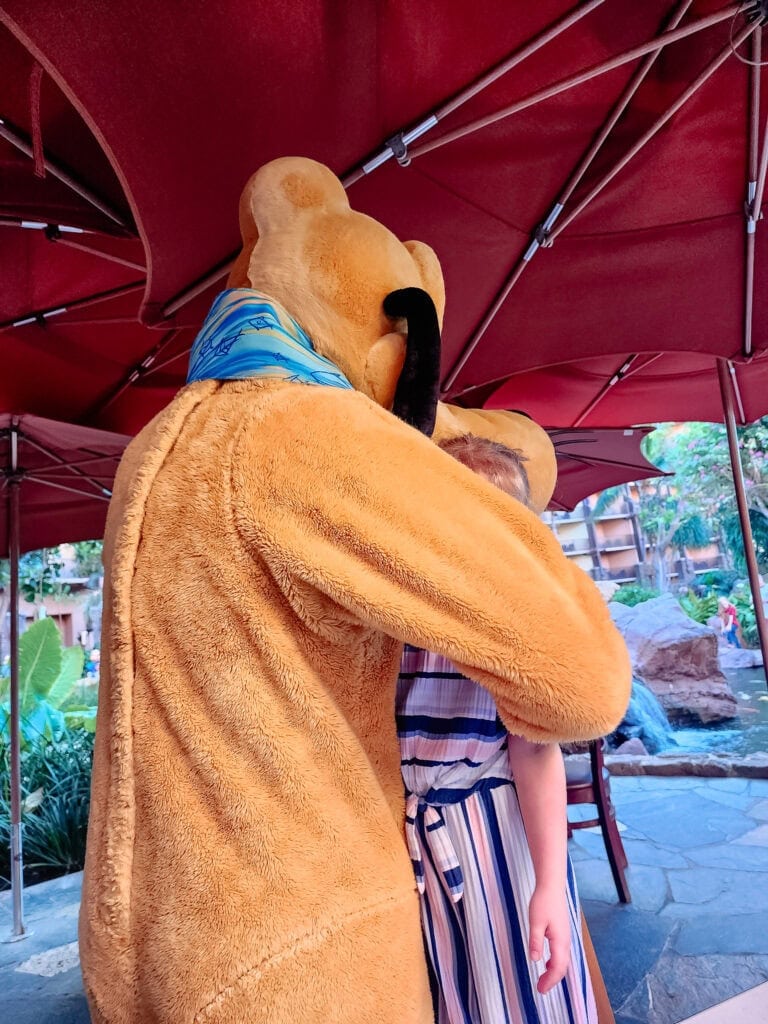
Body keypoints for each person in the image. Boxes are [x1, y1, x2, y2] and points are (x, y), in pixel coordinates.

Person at [397, 433, 597, 1024]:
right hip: (409, 835)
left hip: (494, 831)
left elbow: (535, 752)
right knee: (446, 997)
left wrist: (550, 883)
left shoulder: (514, 626)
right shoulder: (392, 612)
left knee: (524, 990)